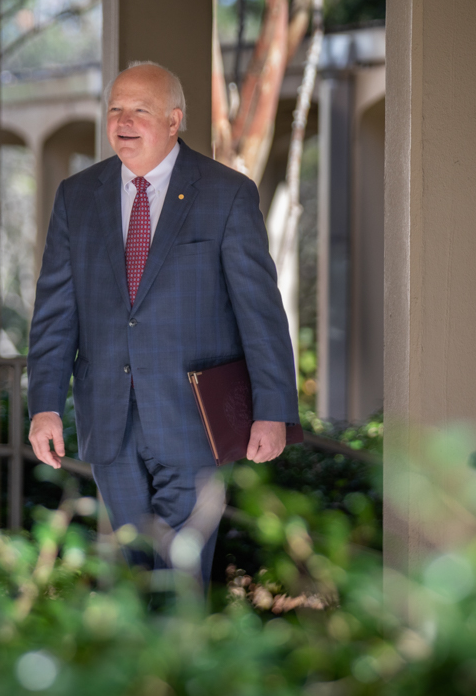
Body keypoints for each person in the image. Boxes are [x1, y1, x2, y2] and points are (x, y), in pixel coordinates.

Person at [26, 61, 298, 587]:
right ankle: (142, 669)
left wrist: (273, 411)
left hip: (194, 420)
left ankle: (174, 670)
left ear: (174, 121)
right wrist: (44, 406)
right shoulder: (77, 196)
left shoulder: (226, 194)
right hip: (110, 418)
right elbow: (55, 312)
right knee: (131, 570)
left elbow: (260, 312)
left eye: (140, 110)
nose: (124, 121)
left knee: (181, 572)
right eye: (115, 110)